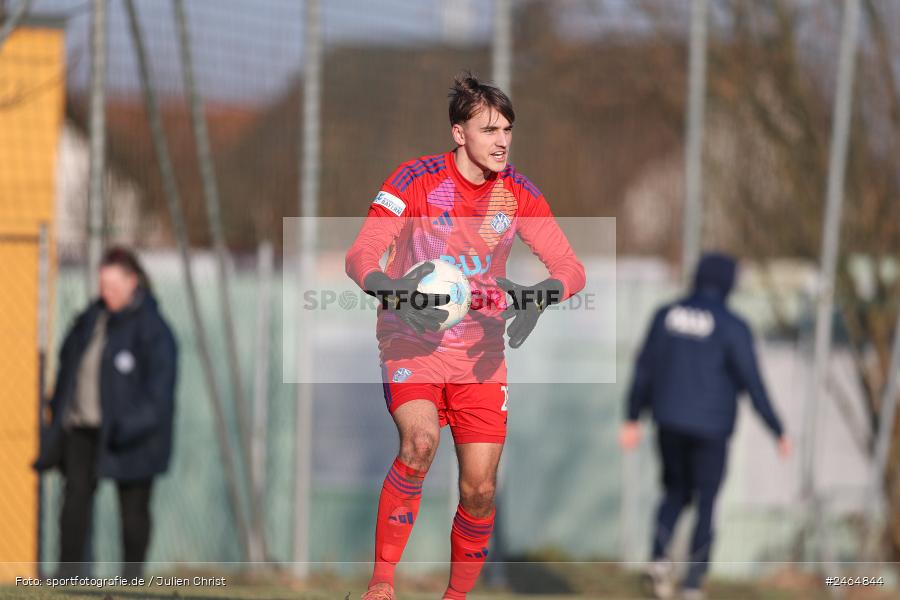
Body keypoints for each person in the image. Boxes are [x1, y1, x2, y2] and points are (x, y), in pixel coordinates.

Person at [346, 72, 586, 600]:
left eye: (508, 129)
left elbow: (571, 266)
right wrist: (391, 288)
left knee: (478, 489)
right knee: (420, 443)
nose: (502, 140)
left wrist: (540, 293)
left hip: (480, 355)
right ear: (460, 133)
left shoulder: (518, 193)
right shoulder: (413, 180)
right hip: (411, 340)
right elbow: (360, 254)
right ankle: (382, 584)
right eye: (489, 129)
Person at [619, 253, 791, 600]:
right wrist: (777, 429)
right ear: (729, 283)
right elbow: (752, 382)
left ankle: (659, 558)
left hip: (668, 420)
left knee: (675, 492)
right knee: (707, 501)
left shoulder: (666, 315)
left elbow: (644, 369)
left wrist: (633, 416)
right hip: (712, 429)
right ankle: (694, 582)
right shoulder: (733, 326)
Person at [34, 246, 177, 578]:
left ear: (132, 281)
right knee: (73, 507)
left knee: (133, 514)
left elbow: (159, 393)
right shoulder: (90, 319)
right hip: (82, 429)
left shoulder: (153, 330)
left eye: (113, 287)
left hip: (131, 435)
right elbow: (68, 365)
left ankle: (132, 582)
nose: (106, 294)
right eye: (102, 286)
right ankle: (67, 579)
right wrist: (59, 414)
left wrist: (129, 426)